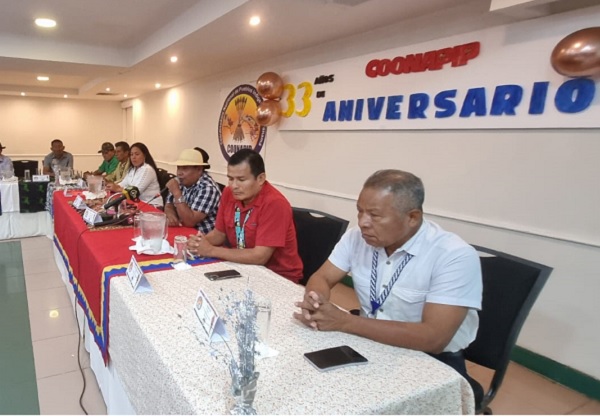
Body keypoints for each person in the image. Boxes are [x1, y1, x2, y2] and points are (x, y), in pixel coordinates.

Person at [293, 169, 483, 402]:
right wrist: (316, 303)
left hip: (429, 359)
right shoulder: (356, 238)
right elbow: (322, 277)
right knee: (310, 386)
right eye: (360, 211)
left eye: (375, 215)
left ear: (412, 217)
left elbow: (434, 338)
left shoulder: (453, 255)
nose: (363, 222)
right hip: (368, 338)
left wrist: (344, 321)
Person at [186, 149, 303, 283]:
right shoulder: (228, 193)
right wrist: (198, 244)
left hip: (277, 276)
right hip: (242, 267)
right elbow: (219, 234)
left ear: (260, 179)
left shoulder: (275, 203)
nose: (234, 186)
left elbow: (260, 257)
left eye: (241, 179)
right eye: (230, 179)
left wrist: (210, 250)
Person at [164, 148, 221, 233]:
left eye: (184, 168)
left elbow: (189, 222)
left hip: (202, 237)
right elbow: (169, 204)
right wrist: (170, 214)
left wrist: (177, 193)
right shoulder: (181, 181)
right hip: (182, 231)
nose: (179, 173)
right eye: (178, 168)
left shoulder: (208, 188)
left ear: (199, 170)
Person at [106, 142, 162, 208]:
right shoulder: (132, 169)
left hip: (151, 205)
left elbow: (135, 192)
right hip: (137, 203)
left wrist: (119, 189)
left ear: (144, 155)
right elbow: (123, 183)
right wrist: (113, 186)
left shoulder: (147, 169)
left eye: (137, 154)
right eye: (131, 154)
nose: (133, 157)